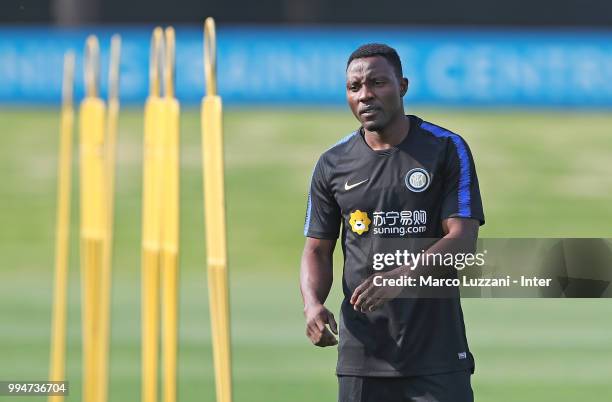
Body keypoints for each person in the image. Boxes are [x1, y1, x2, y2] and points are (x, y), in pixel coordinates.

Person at [299, 43, 485, 402]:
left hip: (437, 355)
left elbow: (462, 239)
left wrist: (399, 277)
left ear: (402, 86)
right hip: (362, 357)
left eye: (377, 83)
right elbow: (316, 249)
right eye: (355, 88)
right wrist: (312, 304)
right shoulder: (332, 163)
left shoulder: (446, 148)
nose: (365, 95)